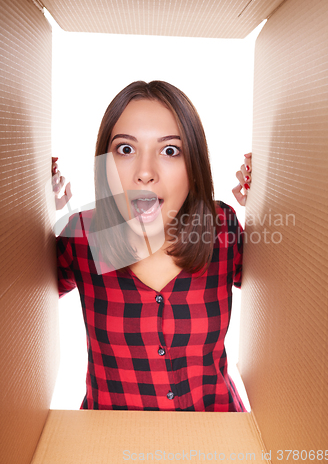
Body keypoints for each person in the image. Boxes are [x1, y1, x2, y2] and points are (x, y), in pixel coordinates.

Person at [52, 80, 252, 412]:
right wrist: (31, 201)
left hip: (218, 433)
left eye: (170, 150)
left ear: (194, 166)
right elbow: (19, 296)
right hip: (108, 440)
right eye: (126, 149)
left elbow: (287, 290)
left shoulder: (220, 227)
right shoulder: (83, 234)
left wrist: (271, 194)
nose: (145, 173)